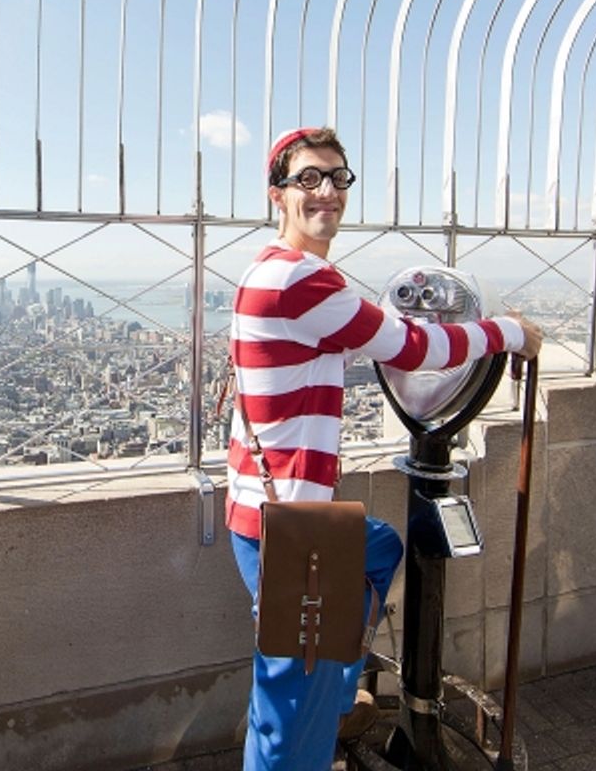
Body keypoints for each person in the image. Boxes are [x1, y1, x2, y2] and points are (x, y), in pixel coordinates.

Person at [226, 127, 542, 770]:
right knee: (287, 723)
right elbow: (415, 348)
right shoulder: (298, 281)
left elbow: (356, 340)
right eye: (308, 178)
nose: (326, 191)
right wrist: (508, 332)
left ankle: (339, 690)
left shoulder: (272, 269)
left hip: (274, 513)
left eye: (337, 178)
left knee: (380, 547)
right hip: (292, 534)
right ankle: (322, 706)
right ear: (277, 194)